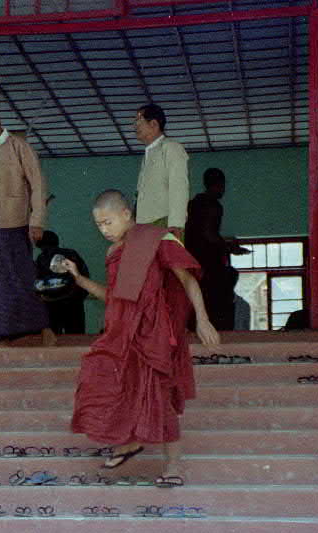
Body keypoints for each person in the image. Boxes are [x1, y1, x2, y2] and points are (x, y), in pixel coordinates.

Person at [61, 189, 220, 487]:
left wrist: (202, 318)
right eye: (99, 225)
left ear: (125, 214)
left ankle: (174, 465)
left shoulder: (157, 239)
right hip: (122, 334)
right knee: (103, 382)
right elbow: (114, 299)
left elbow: (186, 279)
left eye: (108, 222)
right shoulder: (113, 253)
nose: (104, 230)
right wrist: (79, 278)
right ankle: (129, 443)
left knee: (158, 397)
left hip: (154, 335)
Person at [0, 102, 56, 347]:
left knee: (20, 275)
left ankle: (44, 327)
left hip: (12, 220)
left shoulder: (20, 147)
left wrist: (37, 221)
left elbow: (38, 185)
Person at [185, 168, 249, 330]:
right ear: (219, 185)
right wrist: (228, 247)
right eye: (222, 186)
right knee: (215, 306)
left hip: (192, 262)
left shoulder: (193, 204)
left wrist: (226, 244)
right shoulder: (213, 205)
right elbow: (208, 234)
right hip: (208, 266)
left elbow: (200, 234)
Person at [133, 104, 189, 239]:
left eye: (138, 121)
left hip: (165, 223)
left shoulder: (171, 148)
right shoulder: (149, 154)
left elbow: (179, 187)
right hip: (144, 226)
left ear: (153, 124)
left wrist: (176, 224)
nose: (134, 126)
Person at [34, 230, 89, 335]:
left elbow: (36, 285)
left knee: (53, 341)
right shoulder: (72, 254)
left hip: (51, 306)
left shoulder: (41, 259)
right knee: (76, 339)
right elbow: (83, 276)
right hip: (73, 304)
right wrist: (77, 298)